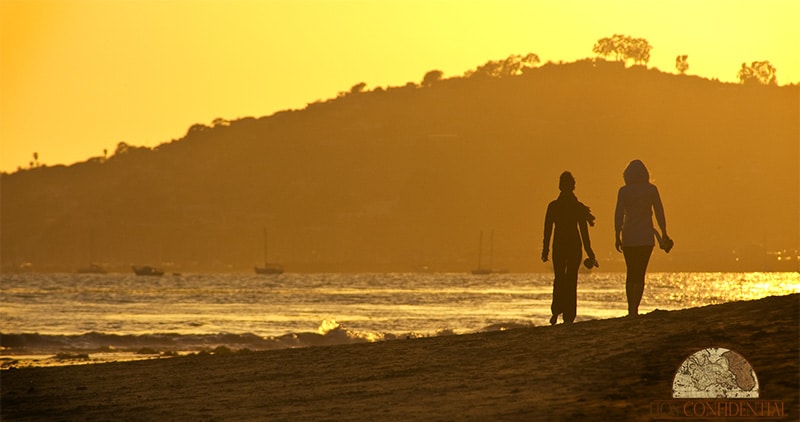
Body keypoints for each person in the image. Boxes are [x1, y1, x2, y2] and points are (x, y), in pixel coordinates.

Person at [614, 159, 671, 317]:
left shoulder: (623, 191)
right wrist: (664, 232)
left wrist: (616, 234)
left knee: (630, 272)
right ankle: (635, 308)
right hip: (646, 236)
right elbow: (659, 212)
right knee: (640, 273)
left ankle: (630, 308)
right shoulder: (651, 189)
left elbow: (618, 214)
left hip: (629, 236)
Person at [542, 171, 597, 325]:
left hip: (559, 246)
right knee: (571, 280)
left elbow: (547, 231)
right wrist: (590, 252)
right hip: (574, 247)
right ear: (573, 186)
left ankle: (556, 310)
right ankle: (569, 316)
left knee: (559, 278)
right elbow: (584, 233)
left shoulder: (553, 206)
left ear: (560, 186)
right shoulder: (578, 207)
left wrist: (545, 250)